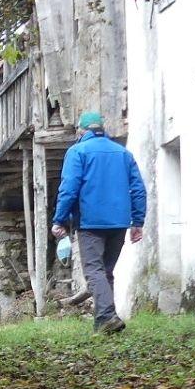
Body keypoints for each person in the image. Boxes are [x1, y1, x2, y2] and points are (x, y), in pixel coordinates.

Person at [50, 110, 146, 334]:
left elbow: (69, 188)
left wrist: (59, 219)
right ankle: (104, 323)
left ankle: (106, 316)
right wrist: (137, 221)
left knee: (94, 271)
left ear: (81, 131)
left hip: (91, 223)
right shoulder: (124, 153)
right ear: (102, 129)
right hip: (119, 222)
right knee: (106, 271)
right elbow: (138, 189)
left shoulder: (77, 151)